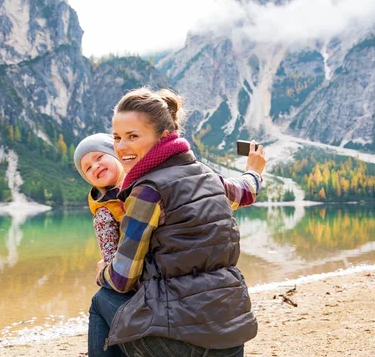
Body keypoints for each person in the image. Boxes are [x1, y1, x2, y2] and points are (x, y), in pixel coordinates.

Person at [88, 87, 266, 357]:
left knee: (103, 299)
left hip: (183, 342)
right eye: (116, 137)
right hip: (232, 334)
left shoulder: (147, 192)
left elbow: (123, 278)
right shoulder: (207, 176)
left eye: (133, 136)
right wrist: (254, 170)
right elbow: (244, 191)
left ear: (163, 136)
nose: (121, 146)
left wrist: (102, 270)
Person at [74, 133, 126, 265]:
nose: (95, 166)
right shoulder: (104, 213)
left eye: (99, 157)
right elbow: (110, 260)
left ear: (115, 154)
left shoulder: (145, 181)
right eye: (88, 168)